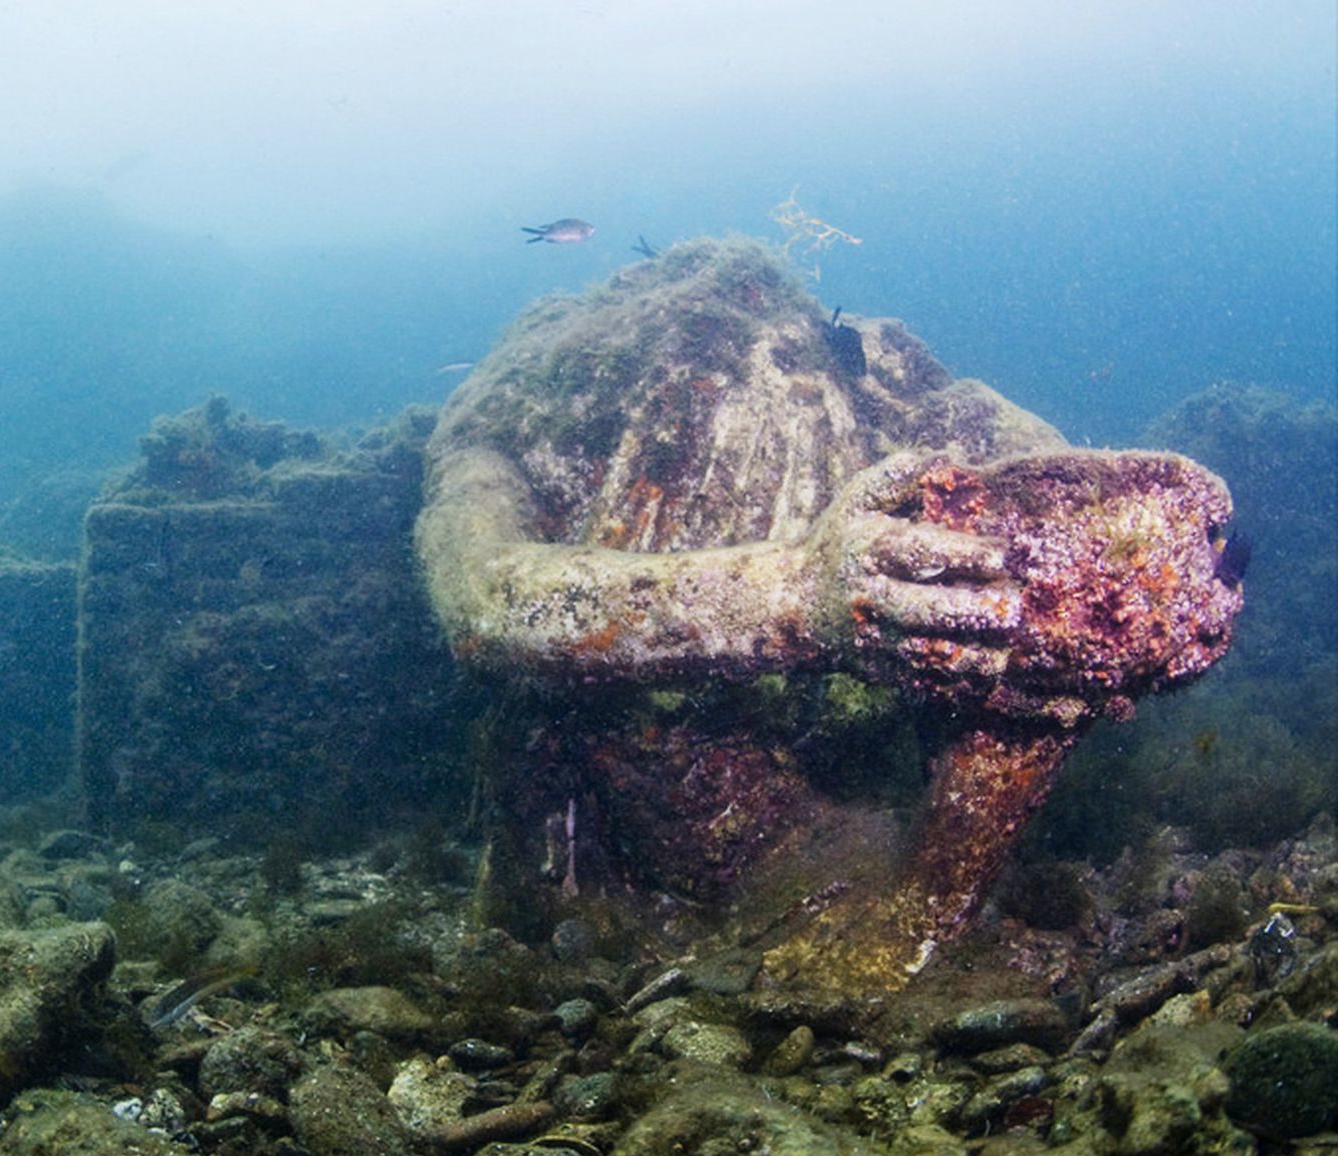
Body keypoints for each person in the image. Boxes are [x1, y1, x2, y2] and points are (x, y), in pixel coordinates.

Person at [415, 238, 1242, 989]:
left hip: (853, 832)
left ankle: (899, 924)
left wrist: (1137, 565)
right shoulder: (520, 406)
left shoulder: (876, 380)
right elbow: (487, 600)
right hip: (609, 854)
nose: (726, 307)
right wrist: (798, 596)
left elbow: (1056, 517)